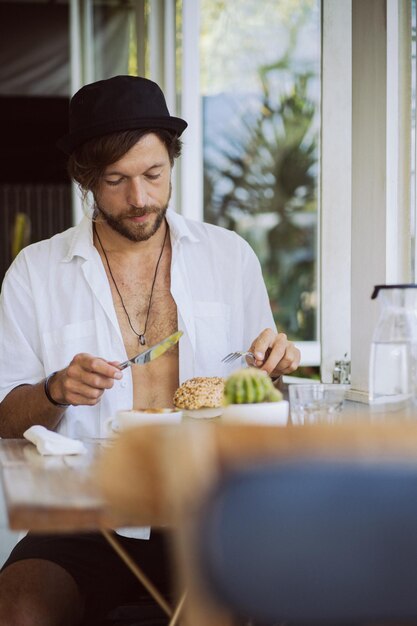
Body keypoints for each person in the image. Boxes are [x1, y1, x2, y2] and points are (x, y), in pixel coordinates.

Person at [0, 75, 301, 625]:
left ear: (171, 163)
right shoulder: (34, 273)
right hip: (85, 519)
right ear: (85, 180)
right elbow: (5, 419)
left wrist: (274, 369)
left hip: (214, 513)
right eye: (115, 181)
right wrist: (54, 390)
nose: (139, 199)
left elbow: (256, 393)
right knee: (19, 606)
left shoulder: (229, 256)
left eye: (153, 175)